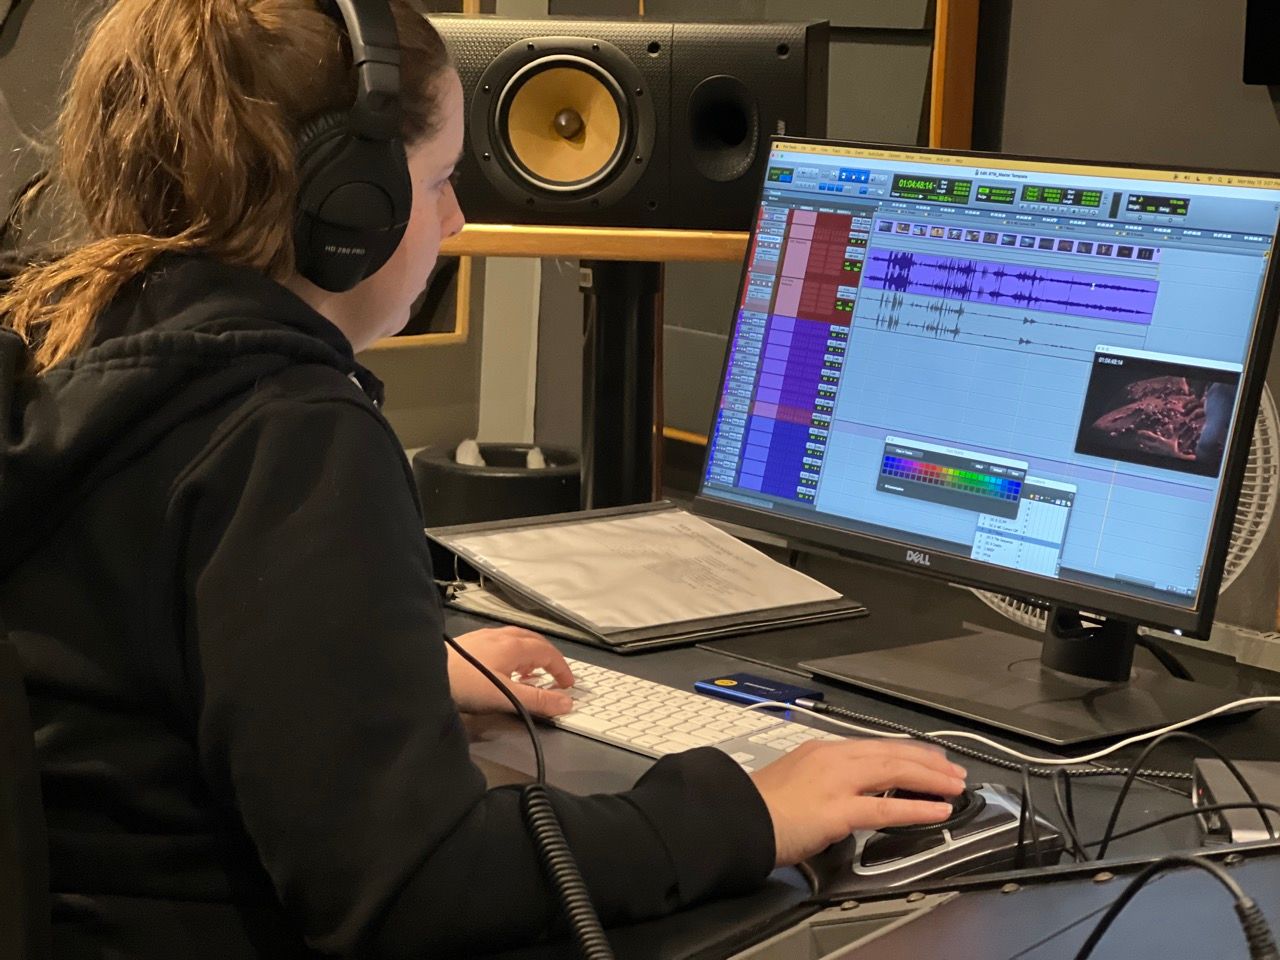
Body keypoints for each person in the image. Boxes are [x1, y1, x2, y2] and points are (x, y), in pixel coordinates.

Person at [0, 2, 966, 958]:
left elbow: (119, 675)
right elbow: (414, 887)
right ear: (348, 207)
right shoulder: (286, 431)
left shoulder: (77, 348)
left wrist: (371, 682)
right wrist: (749, 811)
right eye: (437, 182)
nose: (457, 220)